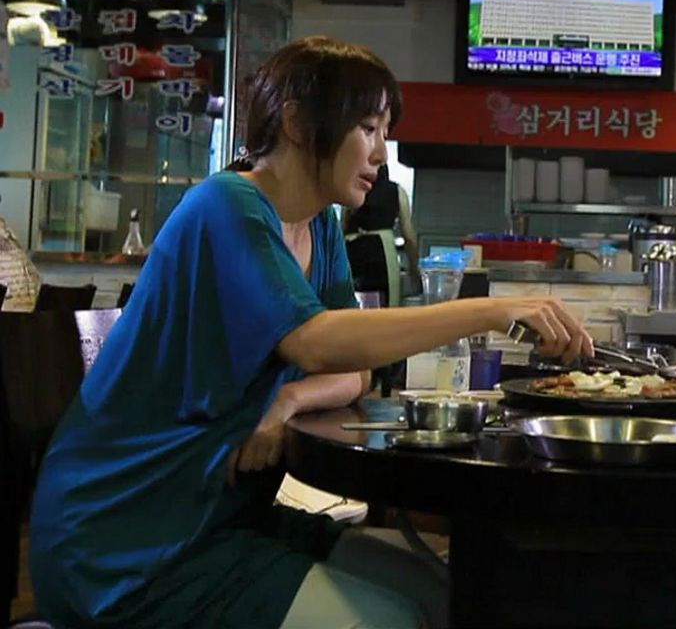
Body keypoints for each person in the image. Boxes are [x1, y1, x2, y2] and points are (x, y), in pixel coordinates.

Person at [29, 36, 593, 629]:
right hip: (128, 542)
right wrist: (490, 310)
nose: (381, 152)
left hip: (223, 517)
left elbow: (354, 369)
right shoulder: (226, 206)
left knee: (449, 593)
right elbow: (315, 341)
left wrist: (290, 397)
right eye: (368, 128)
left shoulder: (319, 226)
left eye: (384, 131)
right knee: (393, 620)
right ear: (297, 123)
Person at [344, 163, 420, 298]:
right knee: (385, 304)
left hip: (351, 250)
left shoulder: (353, 189)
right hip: (383, 252)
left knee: (351, 302)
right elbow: (408, 235)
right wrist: (414, 268)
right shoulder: (396, 191)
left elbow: (342, 227)